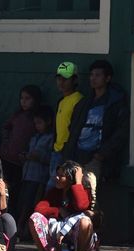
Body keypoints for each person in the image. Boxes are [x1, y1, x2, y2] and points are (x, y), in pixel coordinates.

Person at [63, 60, 129, 210]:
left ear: (108, 78)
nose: (93, 78)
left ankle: (88, 229)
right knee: (71, 195)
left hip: (96, 157)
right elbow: (73, 128)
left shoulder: (115, 102)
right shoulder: (85, 103)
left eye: (98, 75)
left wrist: (102, 153)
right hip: (78, 155)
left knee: (88, 197)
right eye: (91, 75)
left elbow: (121, 131)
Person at [28, 160, 98, 251]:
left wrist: (78, 183)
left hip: (78, 235)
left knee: (85, 222)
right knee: (34, 218)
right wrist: (58, 210)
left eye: (61, 176)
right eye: (57, 175)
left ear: (71, 178)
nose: (57, 178)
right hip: (57, 234)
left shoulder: (83, 190)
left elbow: (81, 205)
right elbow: (39, 208)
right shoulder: (54, 192)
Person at [0, 85, 40, 214]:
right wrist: (6, 142)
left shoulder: (36, 119)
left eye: (28, 98)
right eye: (22, 98)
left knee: (17, 195)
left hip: (22, 164)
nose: (23, 101)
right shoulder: (17, 115)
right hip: (7, 159)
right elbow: (6, 128)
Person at [16, 107, 54, 240]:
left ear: (48, 122)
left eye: (39, 123)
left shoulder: (51, 138)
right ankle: (20, 231)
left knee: (32, 205)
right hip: (27, 175)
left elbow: (51, 158)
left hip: (39, 178)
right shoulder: (34, 137)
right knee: (23, 204)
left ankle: (28, 233)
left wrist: (38, 157)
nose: (37, 126)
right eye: (35, 123)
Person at [46, 61, 84, 191]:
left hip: (67, 153)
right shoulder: (61, 101)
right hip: (56, 151)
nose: (61, 82)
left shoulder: (78, 100)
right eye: (59, 78)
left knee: (56, 189)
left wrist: (68, 151)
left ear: (74, 80)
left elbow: (76, 129)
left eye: (65, 79)